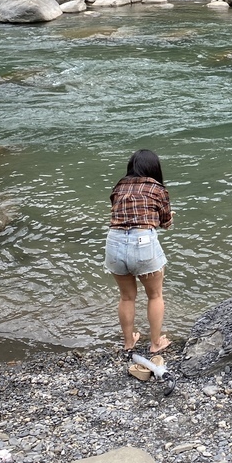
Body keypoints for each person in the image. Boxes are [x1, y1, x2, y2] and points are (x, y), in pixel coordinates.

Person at [105, 149, 173, 354]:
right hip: (143, 242)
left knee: (126, 297)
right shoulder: (157, 188)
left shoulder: (119, 186)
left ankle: (128, 342)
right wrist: (169, 219)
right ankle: (155, 344)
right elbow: (166, 222)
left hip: (114, 241)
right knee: (155, 295)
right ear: (154, 168)